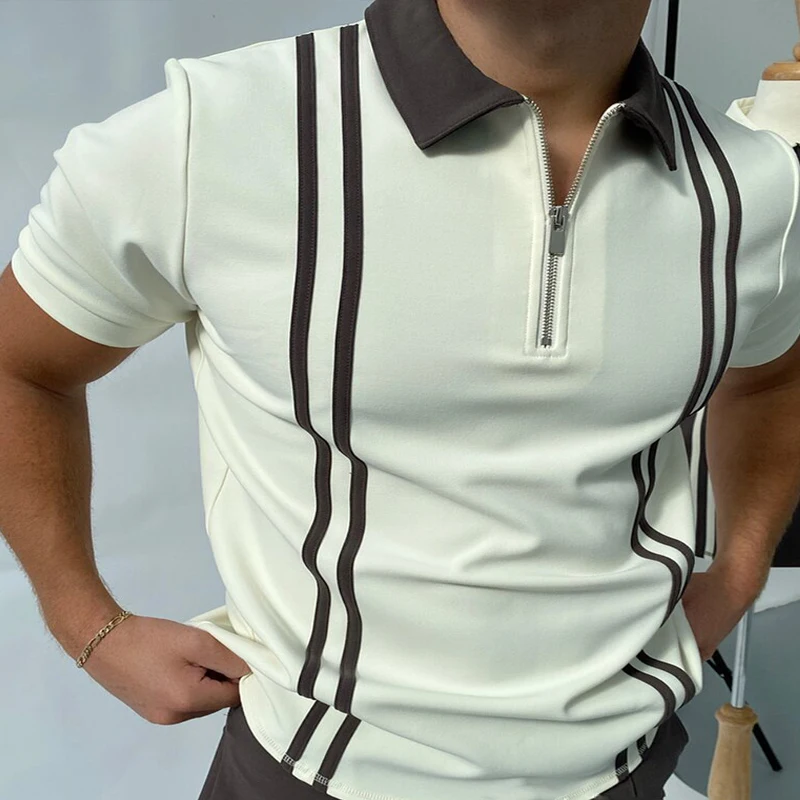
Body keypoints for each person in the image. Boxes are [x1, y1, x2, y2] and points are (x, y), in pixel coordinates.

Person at [2, 1, 800, 799]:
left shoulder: (756, 189)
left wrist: (740, 568)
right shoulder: (209, 132)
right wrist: (88, 625)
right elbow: (20, 364)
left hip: (622, 772)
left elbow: (771, 378)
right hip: (305, 772)